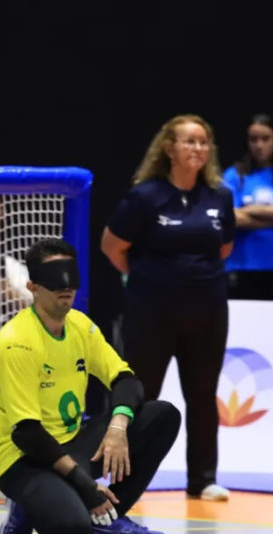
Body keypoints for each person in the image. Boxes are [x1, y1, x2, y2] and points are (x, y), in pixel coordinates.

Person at [0, 238, 181, 534]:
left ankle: (108, 517)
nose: (66, 287)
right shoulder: (16, 342)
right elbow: (27, 434)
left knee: (162, 415)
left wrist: (118, 427)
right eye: (54, 278)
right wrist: (87, 487)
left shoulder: (81, 325)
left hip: (72, 442)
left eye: (70, 276)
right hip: (23, 458)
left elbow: (126, 380)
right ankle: (28, 507)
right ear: (33, 287)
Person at [101, 114, 235, 501]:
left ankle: (203, 479)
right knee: (141, 396)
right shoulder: (145, 196)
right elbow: (112, 246)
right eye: (189, 141)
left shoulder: (220, 196)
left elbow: (224, 248)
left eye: (203, 142)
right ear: (169, 148)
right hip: (151, 312)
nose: (198, 148)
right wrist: (152, 281)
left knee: (203, 394)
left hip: (207, 312)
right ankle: (127, 481)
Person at [222, 113, 273, 299]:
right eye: (254, 139)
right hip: (243, 266)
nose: (259, 145)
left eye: (265, 139)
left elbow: (240, 214)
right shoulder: (235, 175)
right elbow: (229, 217)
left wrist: (248, 210)